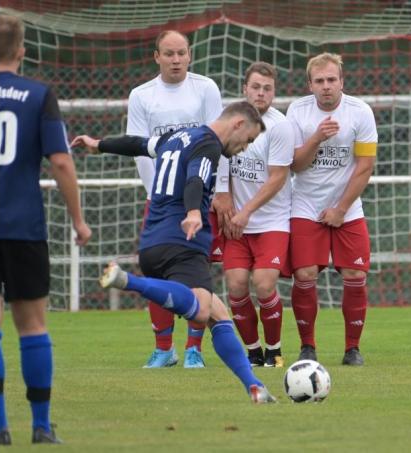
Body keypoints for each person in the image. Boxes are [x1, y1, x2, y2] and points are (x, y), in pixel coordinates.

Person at [72, 101, 277, 403]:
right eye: (248, 140)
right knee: (203, 309)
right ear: (238, 124)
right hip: (182, 241)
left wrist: (99, 144)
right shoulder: (209, 145)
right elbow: (196, 177)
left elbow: (139, 144)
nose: (245, 148)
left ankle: (254, 386)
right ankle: (128, 281)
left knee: (219, 316)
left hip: (152, 242)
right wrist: (194, 211)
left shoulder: (178, 137)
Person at [0, 14, 93, 445]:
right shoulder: (38, 95)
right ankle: (40, 425)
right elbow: (60, 161)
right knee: (33, 325)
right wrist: (78, 220)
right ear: (21, 50)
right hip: (23, 227)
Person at [126, 29, 224, 368]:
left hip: (200, 201)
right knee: (156, 273)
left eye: (181, 52)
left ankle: (194, 348)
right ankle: (163, 349)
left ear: (190, 54)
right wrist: (157, 196)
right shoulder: (141, 95)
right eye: (169, 53)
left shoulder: (206, 89)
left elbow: (217, 145)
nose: (176, 59)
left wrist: (217, 192)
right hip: (161, 202)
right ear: (156, 57)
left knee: (198, 273)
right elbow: (140, 150)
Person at [286, 52, 377, 366]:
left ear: (342, 81)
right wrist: (315, 138)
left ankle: (352, 349)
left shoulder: (360, 112)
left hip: (347, 207)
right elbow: (295, 165)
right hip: (305, 203)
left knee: (355, 274)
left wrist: (340, 208)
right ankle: (307, 347)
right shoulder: (297, 112)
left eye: (332, 80)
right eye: (320, 81)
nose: (326, 86)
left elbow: (365, 166)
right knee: (305, 273)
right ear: (310, 84)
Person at [213, 62, 295, 368]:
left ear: (274, 92)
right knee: (235, 285)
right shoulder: (230, 121)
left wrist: (245, 212)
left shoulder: (280, 126)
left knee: (263, 284)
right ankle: (253, 351)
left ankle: (274, 350)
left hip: (271, 222)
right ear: (244, 88)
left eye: (267, 88)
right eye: (256, 87)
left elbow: (277, 177)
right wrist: (225, 199)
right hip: (236, 222)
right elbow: (221, 160)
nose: (261, 93)